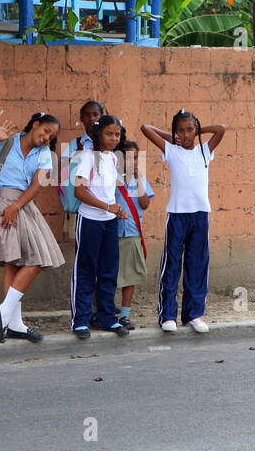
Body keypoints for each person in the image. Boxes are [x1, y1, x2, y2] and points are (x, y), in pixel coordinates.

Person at [0, 113, 64, 343]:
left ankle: (8, 318)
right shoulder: (8, 143)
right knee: (16, 261)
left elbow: (37, 184)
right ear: (36, 124)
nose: (46, 138)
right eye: (46, 131)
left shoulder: (44, 154)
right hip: (3, 205)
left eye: (51, 137)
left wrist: (17, 207)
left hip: (23, 206)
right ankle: (10, 319)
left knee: (32, 260)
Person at [140, 109, 227, 334]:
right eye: (181, 130)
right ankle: (167, 315)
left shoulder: (204, 151)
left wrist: (199, 130)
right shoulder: (171, 150)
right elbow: (146, 129)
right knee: (172, 265)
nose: (186, 134)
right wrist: (172, 137)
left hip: (200, 215)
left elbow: (221, 130)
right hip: (177, 215)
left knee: (197, 265)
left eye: (189, 129)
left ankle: (194, 314)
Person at [70, 115, 129, 339]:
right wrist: (107, 206)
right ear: (99, 134)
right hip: (89, 221)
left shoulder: (112, 158)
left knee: (108, 271)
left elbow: (107, 191)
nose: (114, 138)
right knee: (85, 270)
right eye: (109, 134)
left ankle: (108, 319)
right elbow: (80, 192)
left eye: (117, 134)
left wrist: (117, 209)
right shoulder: (88, 157)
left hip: (109, 222)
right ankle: (80, 321)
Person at [109, 126, 153, 330]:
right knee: (108, 274)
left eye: (135, 158)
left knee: (130, 276)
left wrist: (137, 178)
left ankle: (125, 315)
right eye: (127, 157)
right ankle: (105, 312)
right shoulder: (111, 179)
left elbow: (144, 204)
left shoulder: (140, 180)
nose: (131, 161)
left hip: (132, 233)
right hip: (112, 232)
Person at [60, 100, 103, 240]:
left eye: (95, 114)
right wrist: (77, 157)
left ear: (101, 117)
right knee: (82, 242)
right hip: (81, 202)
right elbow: (64, 170)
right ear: (81, 119)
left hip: (105, 201)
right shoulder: (76, 144)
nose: (91, 118)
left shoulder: (109, 142)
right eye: (87, 115)